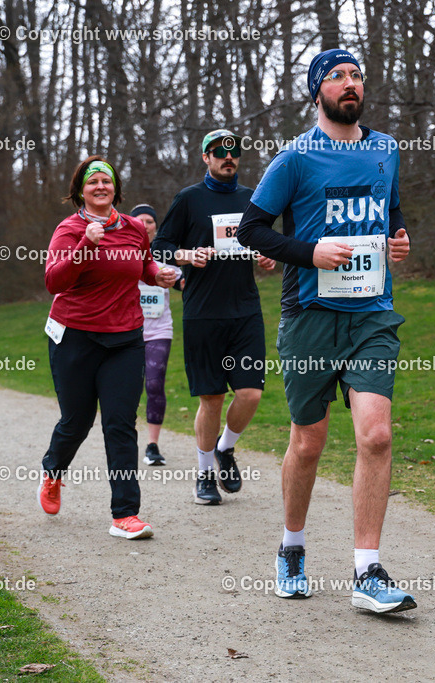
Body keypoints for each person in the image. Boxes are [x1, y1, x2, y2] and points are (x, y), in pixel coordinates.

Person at [236, 49, 416, 614]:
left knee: (377, 436)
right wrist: (309, 252)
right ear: (318, 92)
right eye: (337, 77)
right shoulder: (294, 158)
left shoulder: (385, 149)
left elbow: (388, 211)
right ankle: (291, 547)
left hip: (371, 316)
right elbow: (251, 230)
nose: (350, 84)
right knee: (309, 442)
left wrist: (399, 237)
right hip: (310, 316)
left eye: (356, 75)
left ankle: (367, 571)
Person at [38, 156, 177, 540]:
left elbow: (143, 266)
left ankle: (125, 515)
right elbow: (54, 281)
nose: (101, 186)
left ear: (116, 188)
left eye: (107, 181)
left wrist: (158, 275)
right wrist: (86, 244)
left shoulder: (134, 228)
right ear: (80, 190)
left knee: (120, 424)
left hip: (125, 339)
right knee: (77, 421)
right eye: (93, 181)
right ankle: (53, 471)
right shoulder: (69, 229)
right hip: (76, 338)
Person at [151, 129, 276, 505]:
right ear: (205, 157)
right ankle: (204, 473)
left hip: (245, 311)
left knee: (251, 393)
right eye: (219, 152)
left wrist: (268, 256)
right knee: (211, 399)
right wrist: (187, 256)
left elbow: (266, 240)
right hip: (203, 312)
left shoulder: (252, 198)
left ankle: (225, 449)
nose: (228, 157)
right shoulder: (189, 199)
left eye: (234, 151)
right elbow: (160, 246)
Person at [131, 203, 183, 466]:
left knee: (154, 384)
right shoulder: (123, 252)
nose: (145, 224)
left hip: (159, 330)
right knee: (127, 389)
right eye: (139, 220)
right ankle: (125, 440)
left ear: (155, 226)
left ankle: (152, 445)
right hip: (127, 331)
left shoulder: (165, 254)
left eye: (150, 221)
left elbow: (185, 281)